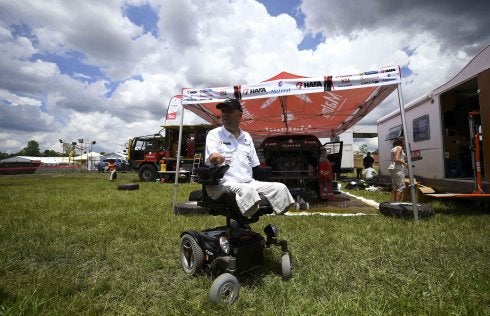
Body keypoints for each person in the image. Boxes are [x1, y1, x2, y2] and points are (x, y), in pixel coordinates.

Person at [205, 98, 295, 217]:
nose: (225, 114)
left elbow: (255, 165)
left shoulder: (247, 137)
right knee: (248, 191)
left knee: (280, 188)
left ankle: (247, 222)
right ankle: (243, 217)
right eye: (223, 111)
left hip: (248, 182)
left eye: (229, 111)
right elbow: (213, 157)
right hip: (222, 183)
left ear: (240, 115)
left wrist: (267, 170)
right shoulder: (214, 134)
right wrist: (217, 158)